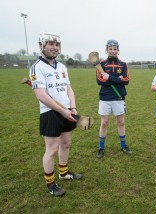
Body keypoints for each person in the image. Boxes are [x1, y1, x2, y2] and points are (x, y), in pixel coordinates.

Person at [29, 32, 83, 197]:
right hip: (50, 113)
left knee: (66, 143)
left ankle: (64, 173)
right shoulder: (37, 67)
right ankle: (50, 183)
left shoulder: (62, 67)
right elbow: (41, 95)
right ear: (42, 46)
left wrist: (72, 107)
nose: (54, 47)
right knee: (51, 149)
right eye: (50, 44)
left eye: (56, 44)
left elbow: (69, 89)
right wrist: (63, 111)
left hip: (67, 110)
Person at [96, 40, 131, 158]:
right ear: (106, 49)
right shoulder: (100, 64)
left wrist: (109, 77)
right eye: (110, 48)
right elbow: (99, 81)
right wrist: (118, 79)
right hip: (105, 97)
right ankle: (101, 147)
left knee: (121, 122)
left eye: (115, 49)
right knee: (104, 123)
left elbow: (126, 81)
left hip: (119, 97)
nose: (113, 51)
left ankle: (123, 145)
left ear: (118, 50)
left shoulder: (123, 64)